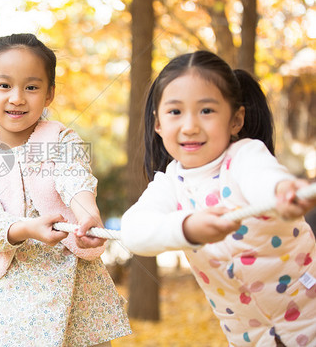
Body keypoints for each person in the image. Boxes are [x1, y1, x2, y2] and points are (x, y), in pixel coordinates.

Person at [120, 50, 316, 346]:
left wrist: (282, 192)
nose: (190, 126)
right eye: (175, 112)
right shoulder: (170, 183)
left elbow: (262, 178)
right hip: (251, 339)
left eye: (206, 111)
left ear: (236, 119)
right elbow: (133, 232)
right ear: (158, 124)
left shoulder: (244, 156)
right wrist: (187, 228)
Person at [0, 33, 131, 347]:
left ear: (48, 94)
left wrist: (88, 213)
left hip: (74, 287)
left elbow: (74, 177)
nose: (17, 98)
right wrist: (27, 228)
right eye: (4, 85)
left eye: (31, 87)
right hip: (11, 295)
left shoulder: (60, 140)